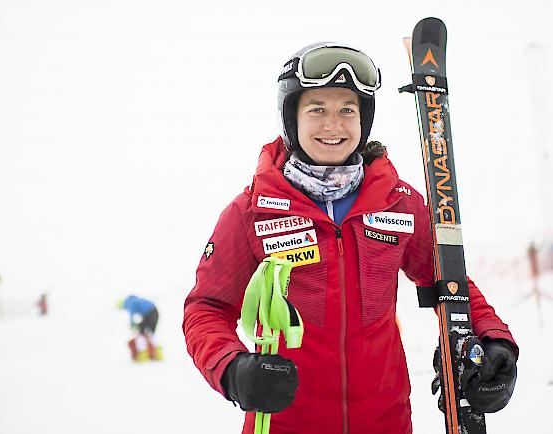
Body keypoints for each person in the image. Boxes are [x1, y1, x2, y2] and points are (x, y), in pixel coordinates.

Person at [183, 43, 518, 434]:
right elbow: (206, 308)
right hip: (287, 423)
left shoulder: (398, 204)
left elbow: (452, 283)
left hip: (385, 422)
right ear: (291, 119)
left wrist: (496, 342)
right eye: (317, 109)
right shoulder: (252, 212)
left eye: (347, 110)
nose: (333, 125)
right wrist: (232, 368)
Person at [120, 295, 162, 362]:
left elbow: (132, 313)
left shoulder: (130, 302)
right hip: (156, 313)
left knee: (141, 334)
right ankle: (158, 353)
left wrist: (132, 324)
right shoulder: (138, 300)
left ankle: (142, 355)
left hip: (149, 314)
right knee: (150, 333)